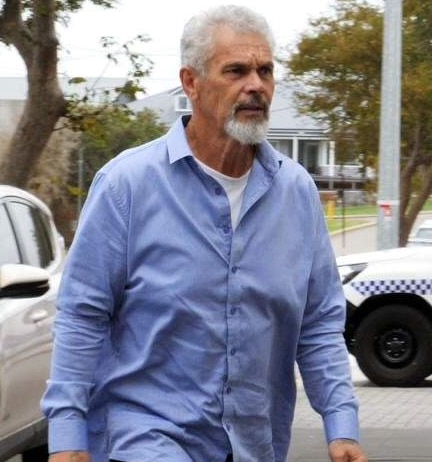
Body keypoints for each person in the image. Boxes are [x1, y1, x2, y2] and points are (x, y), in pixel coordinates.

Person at [41, 5, 367, 462]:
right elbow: (82, 313)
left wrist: (342, 426)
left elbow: (318, 325)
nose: (255, 84)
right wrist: (68, 436)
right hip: (146, 435)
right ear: (191, 83)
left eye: (265, 71)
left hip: (255, 443)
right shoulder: (127, 186)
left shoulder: (297, 194)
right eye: (235, 70)